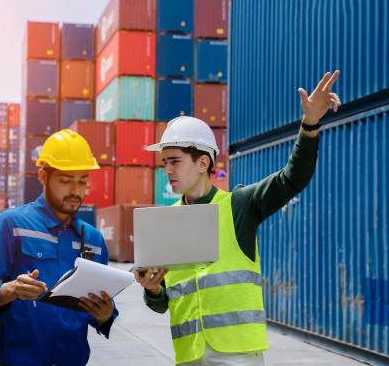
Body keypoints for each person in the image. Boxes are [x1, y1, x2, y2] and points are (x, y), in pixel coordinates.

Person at [135, 72, 342, 365]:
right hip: (188, 355)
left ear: (203, 162)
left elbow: (292, 179)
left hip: (237, 355)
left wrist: (309, 126)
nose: (167, 170)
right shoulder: (165, 222)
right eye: (164, 163)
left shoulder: (240, 205)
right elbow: (161, 304)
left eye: (175, 161)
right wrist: (152, 289)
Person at [0, 130, 118, 366]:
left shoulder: (93, 240)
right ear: (43, 176)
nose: (76, 191)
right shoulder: (10, 224)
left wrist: (105, 315)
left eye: (83, 181)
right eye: (66, 181)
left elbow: (99, 310)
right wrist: (11, 289)